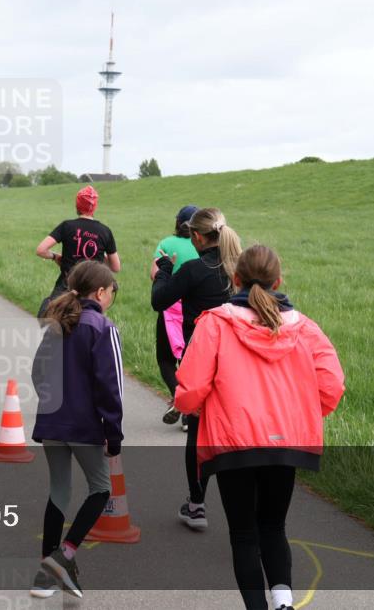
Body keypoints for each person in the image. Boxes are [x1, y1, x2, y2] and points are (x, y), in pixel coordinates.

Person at [174, 245, 344, 610]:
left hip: (232, 440)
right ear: (278, 281)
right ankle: (283, 601)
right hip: (287, 441)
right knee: (274, 526)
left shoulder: (216, 323)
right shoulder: (305, 328)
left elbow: (190, 387)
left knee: (243, 534)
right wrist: (300, 413)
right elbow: (332, 385)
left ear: (234, 278)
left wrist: (192, 407)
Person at [29, 261, 124, 599]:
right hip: (86, 426)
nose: (111, 298)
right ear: (99, 292)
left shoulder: (57, 323)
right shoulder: (102, 327)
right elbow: (111, 386)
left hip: (52, 421)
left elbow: (37, 372)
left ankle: (46, 574)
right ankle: (62, 558)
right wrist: (114, 433)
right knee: (100, 490)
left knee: (59, 491)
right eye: (111, 292)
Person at [151, 207, 242, 530]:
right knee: (231, 433)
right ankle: (241, 509)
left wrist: (164, 270)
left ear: (197, 237)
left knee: (199, 431)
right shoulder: (238, 270)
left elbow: (160, 300)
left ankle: (197, 504)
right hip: (235, 362)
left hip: (200, 361)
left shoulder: (193, 270)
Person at [35, 186, 120, 318]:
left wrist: (55, 257)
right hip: (92, 291)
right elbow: (116, 267)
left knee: (50, 319)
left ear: (77, 205)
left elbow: (41, 250)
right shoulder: (105, 231)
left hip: (66, 287)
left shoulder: (67, 226)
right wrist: (100, 255)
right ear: (95, 207)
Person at [155, 205, 200, 427]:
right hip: (195, 308)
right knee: (188, 358)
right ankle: (188, 414)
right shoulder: (202, 244)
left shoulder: (166, 243)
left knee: (165, 358)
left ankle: (177, 397)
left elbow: (155, 274)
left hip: (170, 307)